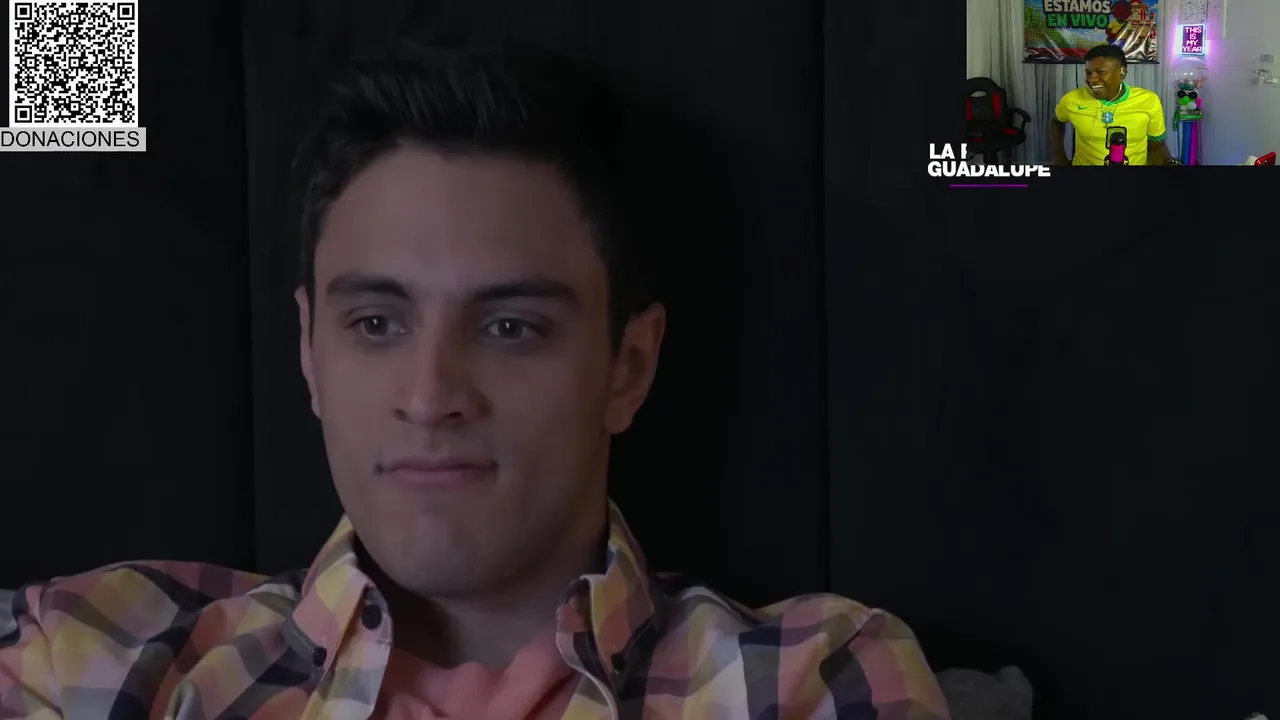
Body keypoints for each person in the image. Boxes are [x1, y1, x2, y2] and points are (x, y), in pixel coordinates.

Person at [0, 41, 950, 719]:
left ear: (628, 366)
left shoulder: (813, 682)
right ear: (309, 354)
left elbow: (1042, 64)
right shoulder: (87, 657)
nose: (429, 396)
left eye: (509, 328)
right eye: (376, 323)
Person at [1051, 43, 1176, 166]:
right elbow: (1056, 122)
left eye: (1100, 72)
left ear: (1122, 72)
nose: (1092, 79)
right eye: (1088, 73)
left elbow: (1156, 146)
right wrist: (1058, 157)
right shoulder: (1072, 99)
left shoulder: (1149, 101)